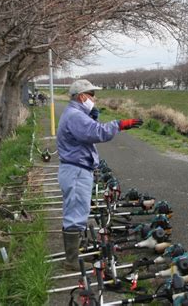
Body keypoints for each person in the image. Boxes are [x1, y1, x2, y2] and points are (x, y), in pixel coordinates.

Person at [57, 79, 143, 271]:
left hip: (75, 170)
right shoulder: (75, 116)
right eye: (92, 95)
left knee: (76, 212)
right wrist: (120, 124)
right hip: (76, 171)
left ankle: (73, 257)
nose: (95, 99)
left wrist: (93, 118)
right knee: (76, 215)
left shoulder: (75, 113)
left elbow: (86, 134)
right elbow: (97, 133)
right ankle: (71, 261)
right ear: (82, 96)